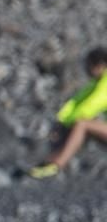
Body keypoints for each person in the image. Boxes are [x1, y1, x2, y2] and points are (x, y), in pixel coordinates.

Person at [30, 47, 107, 178]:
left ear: (100, 65)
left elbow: (91, 106)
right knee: (79, 124)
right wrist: (62, 121)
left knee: (82, 124)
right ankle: (50, 161)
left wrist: (68, 122)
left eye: (89, 65)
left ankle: (56, 165)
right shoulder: (96, 83)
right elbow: (75, 103)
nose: (87, 69)